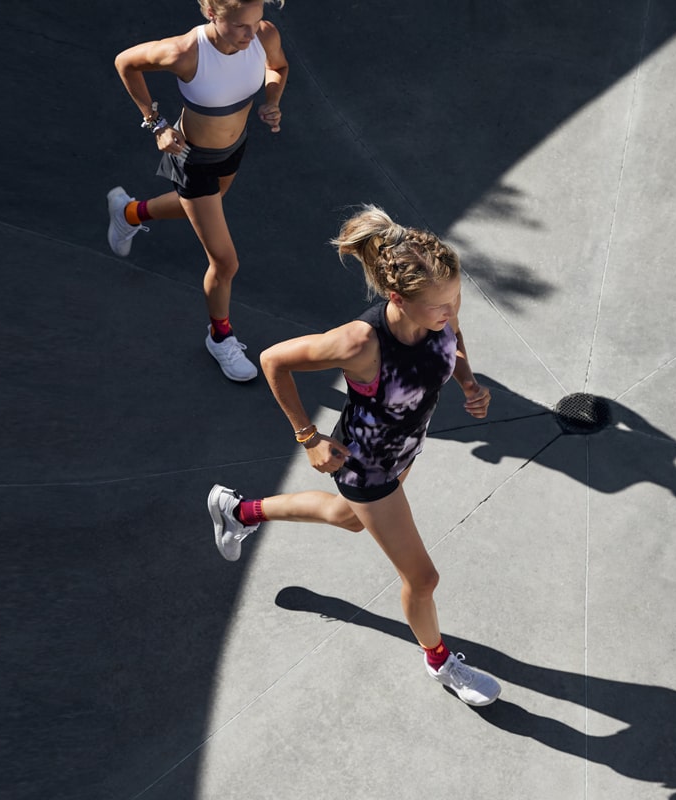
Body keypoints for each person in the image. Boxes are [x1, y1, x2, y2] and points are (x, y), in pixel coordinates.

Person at [207, 205, 501, 706]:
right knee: (423, 578)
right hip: (367, 465)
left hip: (405, 450)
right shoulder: (361, 342)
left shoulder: (439, 315)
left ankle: (237, 511)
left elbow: (452, 338)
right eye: (439, 305)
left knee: (348, 519)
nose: (451, 312)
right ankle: (439, 661)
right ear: (397, 299)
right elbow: (273, 360)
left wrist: (468, 380)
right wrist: (309, 436)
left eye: (456, 299)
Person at [107, 0, 288, 381]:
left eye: (255, 22)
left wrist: (272, 101)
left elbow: (278, 67)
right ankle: (220, 337)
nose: (250, 33)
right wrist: (156, 125)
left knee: (210, 204)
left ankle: (128, 213)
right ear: (212, 14)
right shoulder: (185, 52)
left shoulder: (263, 34)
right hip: (191, 159)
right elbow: (126, 62)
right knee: (225, 263)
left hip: (233, 149)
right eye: (240, 25)